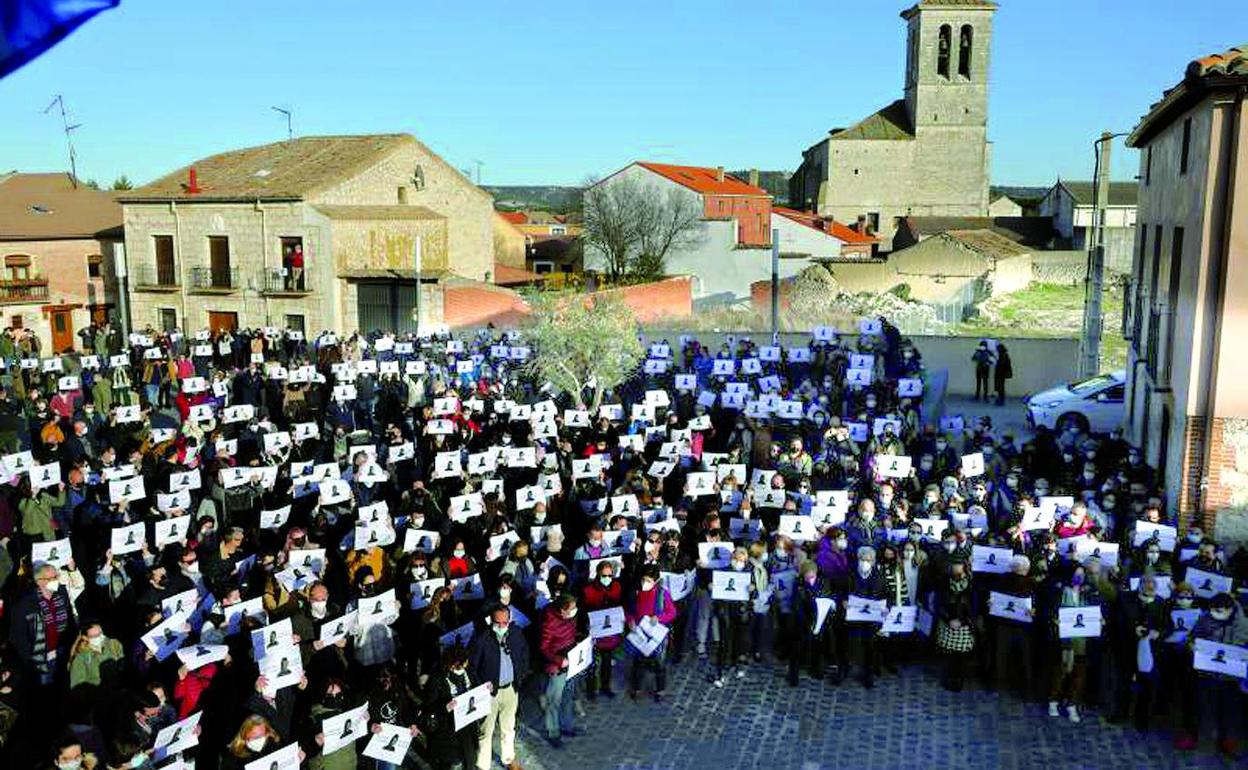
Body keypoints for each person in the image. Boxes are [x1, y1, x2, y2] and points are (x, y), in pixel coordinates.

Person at [468, 606, 528, 770]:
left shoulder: (516, 633)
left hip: (510, 689)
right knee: (485, 731)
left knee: (509, 727)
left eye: (504, 622)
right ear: (491, 621)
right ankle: (483, 765)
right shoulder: (481, 639)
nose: (501, 626)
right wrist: (481, 685)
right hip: (488, 694)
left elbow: (524, 654)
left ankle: (509, 759)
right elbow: (472, 667)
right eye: (497, 622)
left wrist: (520, 675)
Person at [538, 595, 581, 749]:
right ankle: (553, 732)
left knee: (568, 696)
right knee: (553, 701)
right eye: (571, 609)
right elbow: (543, 648)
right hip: (557, 667)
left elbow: (572, 635)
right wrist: (558, 660)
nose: (574, 611)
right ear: (562, 610)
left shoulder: (570, 618)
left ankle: (566, 726)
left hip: (572, 662)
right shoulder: (549, 622)